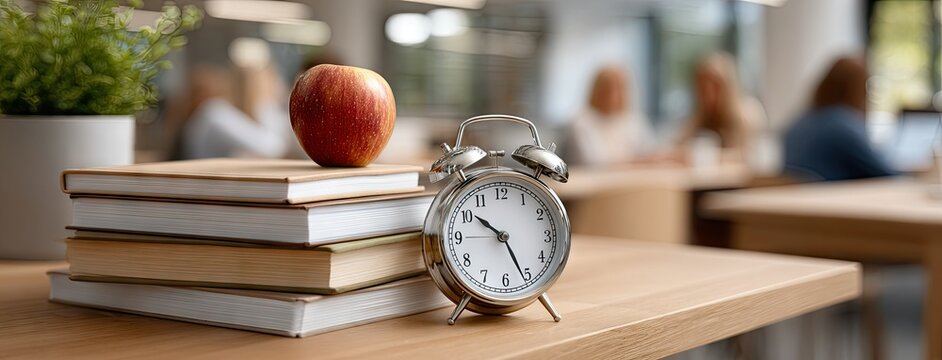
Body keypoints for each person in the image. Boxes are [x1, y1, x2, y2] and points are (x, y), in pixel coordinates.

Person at [783, 56, 895, 181]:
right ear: (858, 89)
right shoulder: (841, 125)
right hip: (829, 196)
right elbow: (883, 173)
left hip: (801, 196)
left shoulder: (801, 121)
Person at [177, 64, 295, 159]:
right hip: (203, 185)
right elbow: (273, 148)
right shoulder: (215, 112)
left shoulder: (219, 112)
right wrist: (264, 103)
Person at [671, 52, 764, 165]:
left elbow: (752, 155)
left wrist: (705, 155)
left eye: (715, 87)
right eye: (703, 88)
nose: (709, 95)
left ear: (729, 87)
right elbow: (677, 149)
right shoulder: (698, 119)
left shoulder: (750, 113)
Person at [567, 66, 655, 167]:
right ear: (597, 90)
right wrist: (635, 161)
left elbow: (650, 153)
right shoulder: (582, 122)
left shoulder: (634, 121)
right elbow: (592, 162)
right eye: (608, 88)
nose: (614, 95)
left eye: (619, 88)